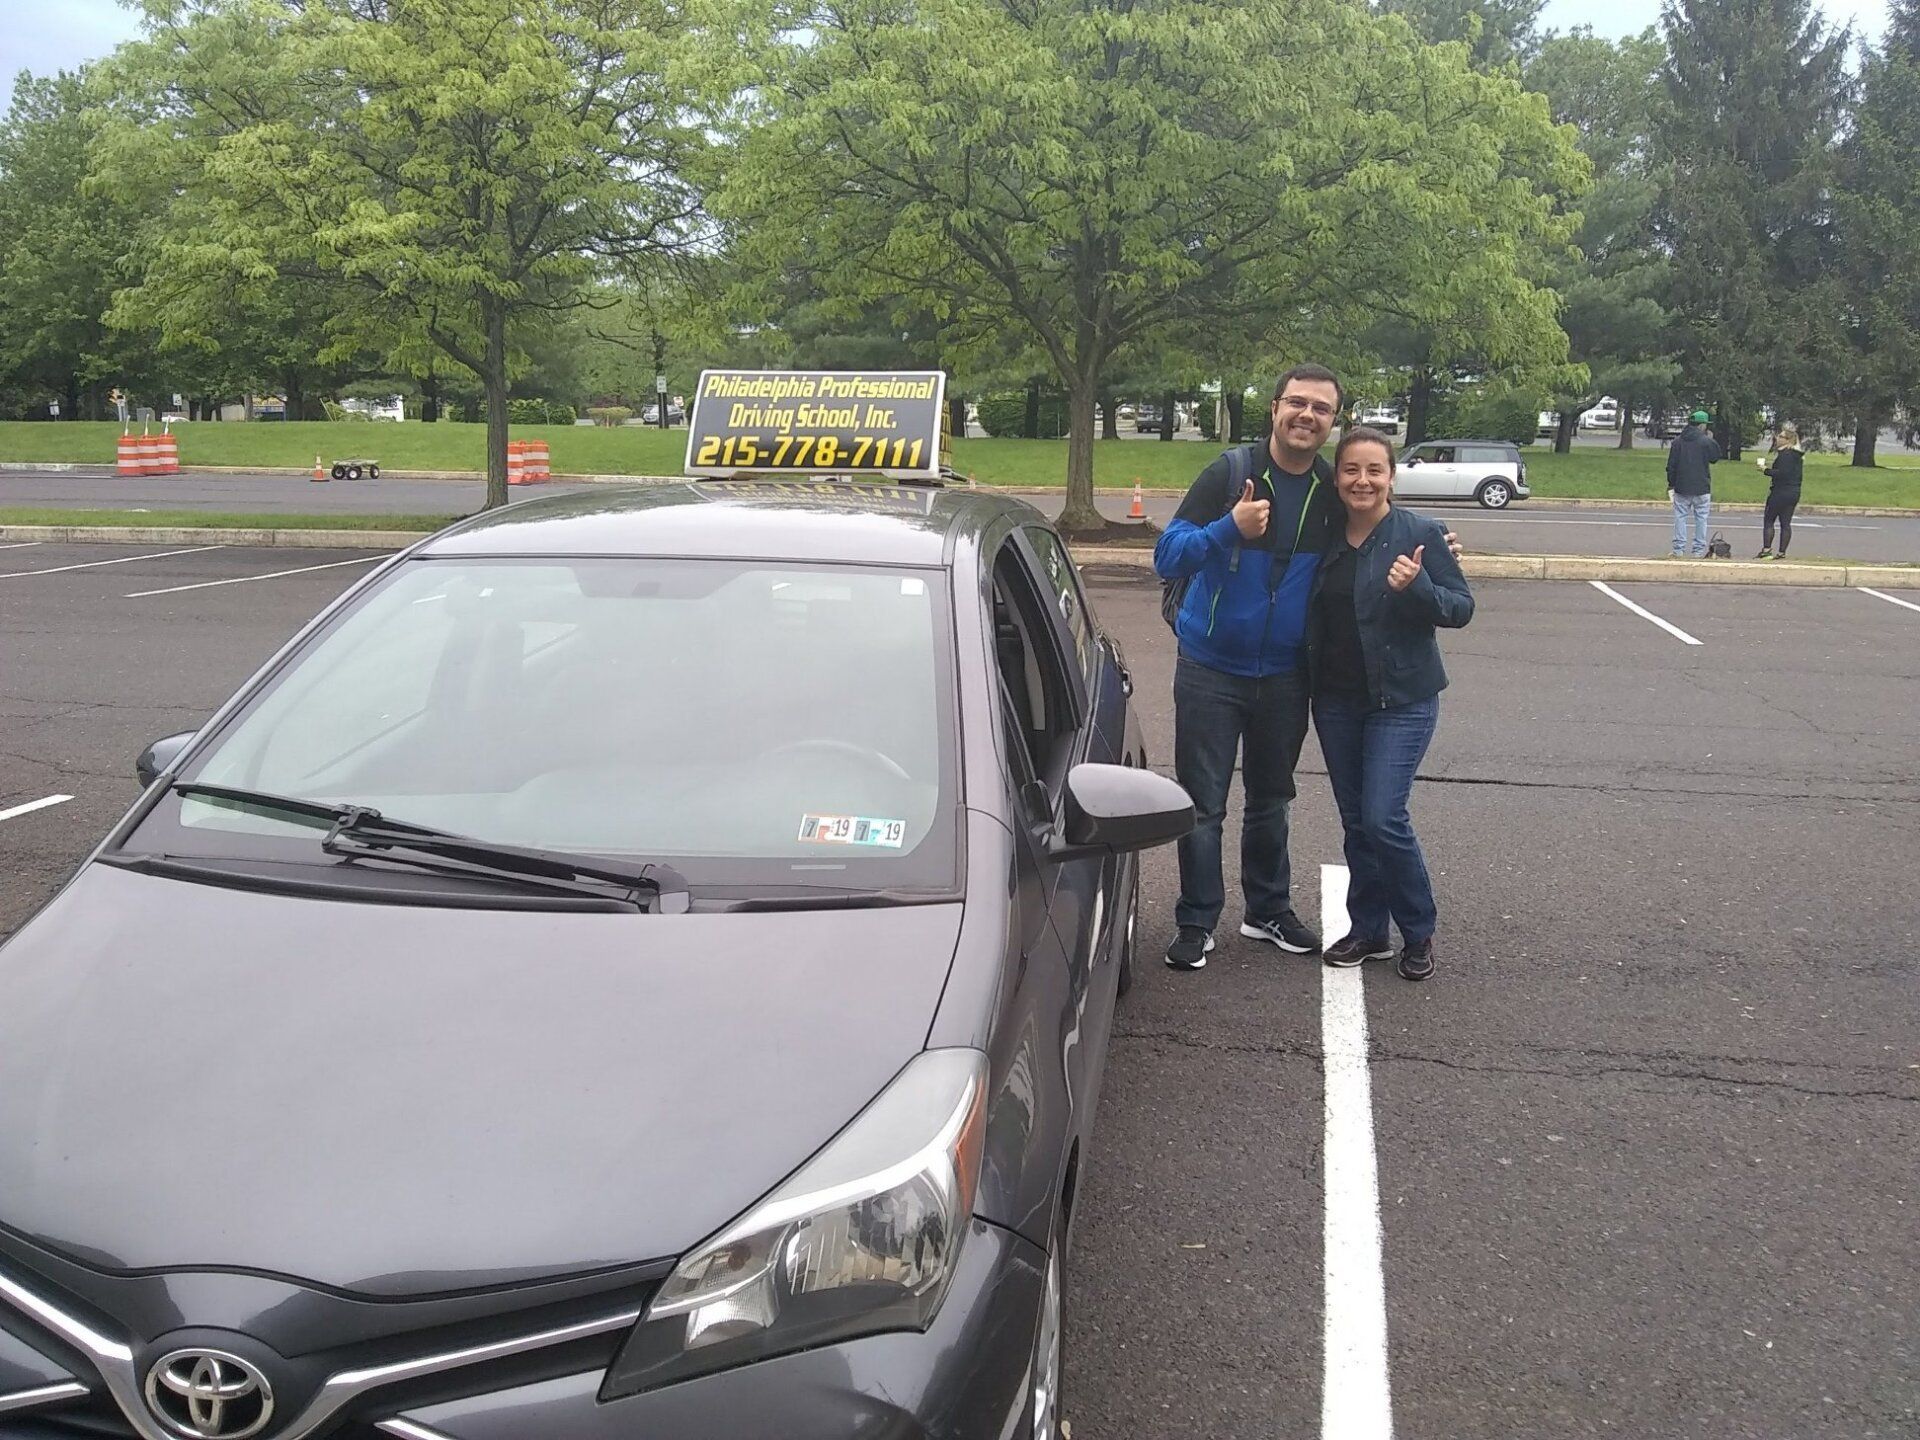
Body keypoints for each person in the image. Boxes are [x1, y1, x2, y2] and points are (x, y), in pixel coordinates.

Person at [1151, 366, 1347, 969]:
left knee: (1271, 799)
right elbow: (1166, 556)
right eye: (1297, 403)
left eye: (1320, 408)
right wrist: (1227, 528)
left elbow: (1380, 535)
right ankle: (1197, 918)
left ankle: (1266, 910)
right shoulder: (1229, 473)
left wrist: (1436, 544)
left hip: (1286, 676)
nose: (1306, 415)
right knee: (1203, 803)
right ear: (1275, 409)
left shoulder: (1329, 489)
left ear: (1332, 422)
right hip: (1210, 668)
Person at [1307, 426, 1473, 982]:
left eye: (1374, 470)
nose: (1362, 480)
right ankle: (1369, 930)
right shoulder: (1324, 533)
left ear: (1391, 477)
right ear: (1337, 477)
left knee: (1384, 816)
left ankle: (1418, 930)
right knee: (1358, 823)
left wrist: (1419, 586)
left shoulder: (1421, 533)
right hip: (1335, 700)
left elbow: (1460, 609)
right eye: (1351, 469)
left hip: (1402, 700)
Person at [1666, 409, 1722, 557]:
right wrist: (1712, 440)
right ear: (1702, 425)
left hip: (1682, 485)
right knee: (1701, 518)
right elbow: (1715, 458)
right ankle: (1698, 550)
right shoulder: (1705, 441)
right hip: (1702, 485)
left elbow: (1671, 465)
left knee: (1680, 516)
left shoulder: (1678, 442)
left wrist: (1671, 484)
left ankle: (1678, 549)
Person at [1756, 424, 1804, 558]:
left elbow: (1782, 473)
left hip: (1780, 491)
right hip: (1794, 492)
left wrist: (1765, 470)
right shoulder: (1797, 456)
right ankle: (1782, 552)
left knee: (1769, 520)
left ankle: (1766, 550)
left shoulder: (1785, 455)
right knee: (1785, 523)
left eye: (1781, 436)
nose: (1778, 438)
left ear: (1789, 440)